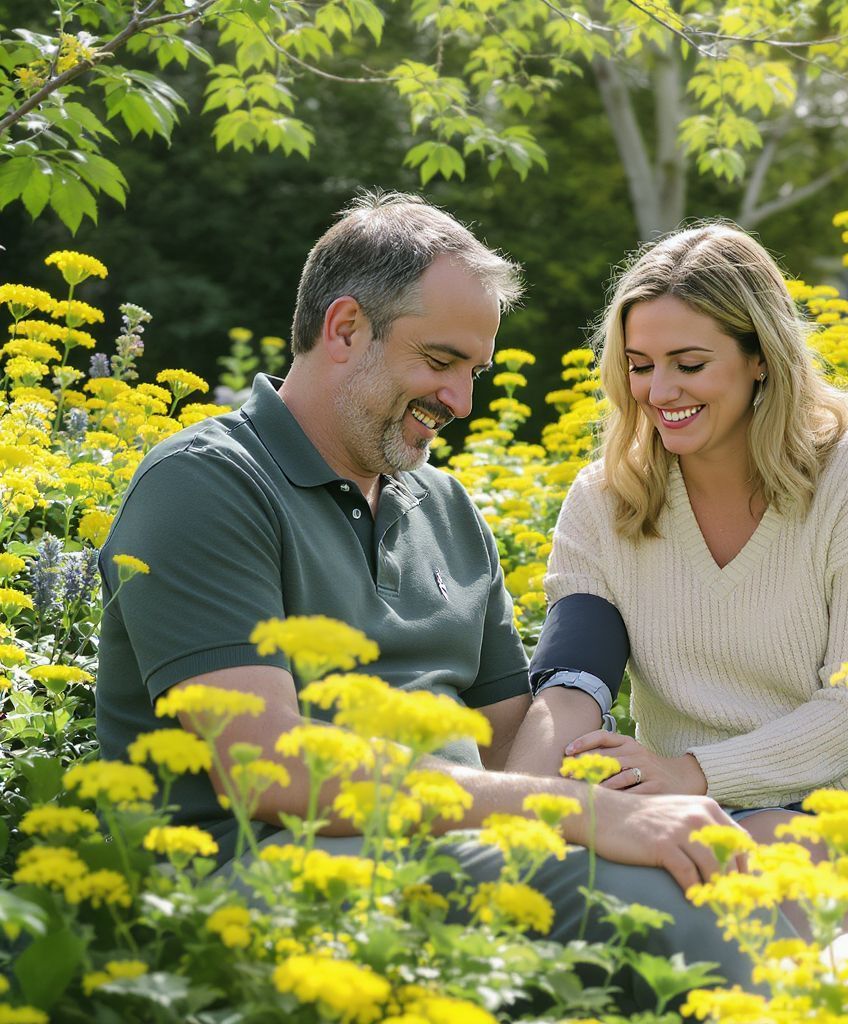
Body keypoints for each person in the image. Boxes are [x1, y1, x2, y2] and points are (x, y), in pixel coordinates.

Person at [95, 193, 762, 1003]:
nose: (461, 401)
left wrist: (639, 794)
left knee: (733, 880)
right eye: (441, 362)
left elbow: (512, 745)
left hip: (453, 852)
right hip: (262, 872)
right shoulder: (207, 485)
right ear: (344, 330)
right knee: (671, 910)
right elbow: (268, 771)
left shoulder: (442, 508)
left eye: (473, 373)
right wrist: (579, 819)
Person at [503, 222, 848, 928]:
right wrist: (514, 814)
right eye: (640, 364)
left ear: (760, 358)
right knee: (738, 901)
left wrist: (691, 773)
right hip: (712, 813)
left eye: (690, 363)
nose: (659, 389)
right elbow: (573, 679)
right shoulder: (604, 498)